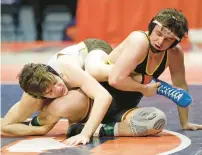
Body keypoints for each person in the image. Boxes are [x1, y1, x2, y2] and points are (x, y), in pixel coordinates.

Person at [1, 39, 167, 146]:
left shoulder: (68, 70)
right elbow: (5, 127)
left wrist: (86, 134)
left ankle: (142, 80)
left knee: (94, 70)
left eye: (55, 83)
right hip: (94, 101)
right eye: (50, 92)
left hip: (94, 53)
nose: (58, 89)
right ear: (42, 97)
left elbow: (103, 96)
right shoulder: (34, 94)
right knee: (6, 126)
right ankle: (95, 128)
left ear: (53, 72)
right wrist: (38, 130)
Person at [104, 8, 202, 130]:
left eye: (168, 39)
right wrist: (144, 89)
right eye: (158, 34)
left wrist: (185, 123)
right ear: (151, 28)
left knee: (156, 122)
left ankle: (103, 129)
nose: (160, 42)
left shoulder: (174, 53)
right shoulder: (139, 40)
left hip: (125, 106)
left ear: (175, 43)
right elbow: (115, 80)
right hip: (99, 97)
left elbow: (180, 86)